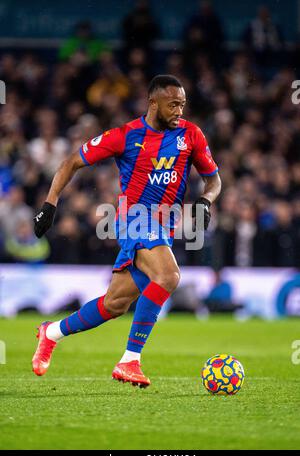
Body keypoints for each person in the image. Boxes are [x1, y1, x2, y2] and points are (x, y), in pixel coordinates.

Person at [32, 75, 221, 387]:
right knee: (169, 276)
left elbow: (214, 180)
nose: (179, 111)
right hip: (133, 220)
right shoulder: (126, 135)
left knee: (114, 304)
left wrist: (205, 201)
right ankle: (130, 360)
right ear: (153, 103)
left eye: (182, 105)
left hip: (165, 226)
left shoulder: (191, 135)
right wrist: (50, 204)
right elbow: (70, 163)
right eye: (173, 104)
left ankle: (51, 332)